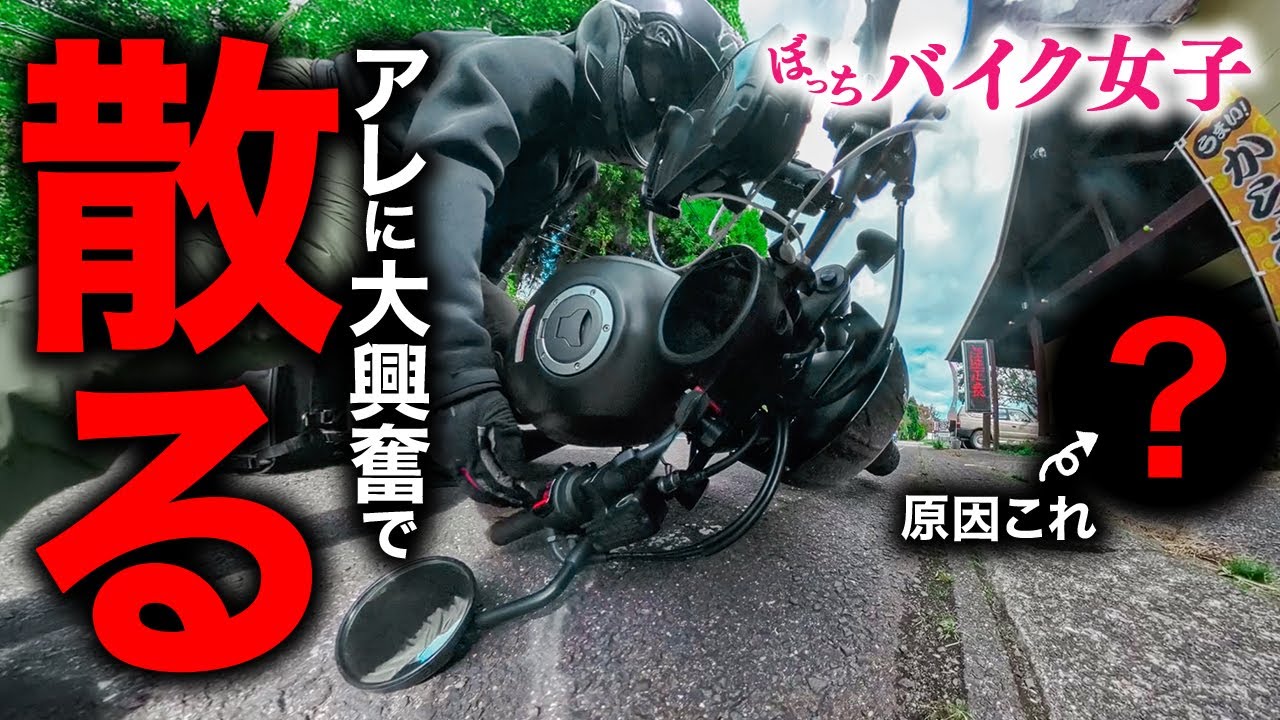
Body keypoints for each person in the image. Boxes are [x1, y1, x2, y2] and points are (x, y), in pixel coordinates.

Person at [0, 0, 744, 533]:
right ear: (629, 38)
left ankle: (265, 401)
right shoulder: (535, 66)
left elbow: (467, 262)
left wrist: (467, 378)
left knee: (513, 337)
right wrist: (458, 378)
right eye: (666, 90)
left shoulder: (567, 164)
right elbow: (443, 179)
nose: (663, 121)